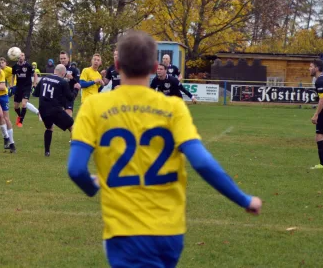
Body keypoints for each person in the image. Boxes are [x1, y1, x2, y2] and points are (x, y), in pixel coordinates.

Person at [67, 30, 262, 268]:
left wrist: (93, 185)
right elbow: (201, 162)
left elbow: (76, 169)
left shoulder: (94, 107)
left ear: (117, 65)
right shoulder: (173, 108)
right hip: (170, 231)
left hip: (125, 230)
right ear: (154, 67)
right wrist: (243, 199)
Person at [33, 64, 81, 156]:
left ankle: (47, 151)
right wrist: (76, 89)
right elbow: (71, 98)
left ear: (55, 70)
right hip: (55, 110)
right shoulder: (62, 82)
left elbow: (36, 94)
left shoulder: (44, 79)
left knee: (49, 128)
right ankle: (80, 150)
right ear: (63, 73)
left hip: (43, 109)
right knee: (72, 126)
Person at [11, 52, 40, 127]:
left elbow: (35, 75)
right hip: (18, 87)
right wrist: (11, 86)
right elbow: (13, 76)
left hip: (27, 87)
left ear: (24, 57)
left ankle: (21, 121)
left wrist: (34, 85)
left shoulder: (28, 66)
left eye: (23, 55)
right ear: (17, 57)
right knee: (16, 107)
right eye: (20, 55)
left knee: (24, 103)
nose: (21, 57)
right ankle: (20, 116)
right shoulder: (15, 66)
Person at [59, 51, 80, 116]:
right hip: (58, 96)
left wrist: (72, 78)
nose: (63, 60)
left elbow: (77, 83)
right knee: (54, 119)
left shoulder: (74, 70)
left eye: (64, 58)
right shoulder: (57, 69)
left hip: (69, 96)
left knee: (68, 117)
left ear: (68, 59)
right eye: (61, 59)